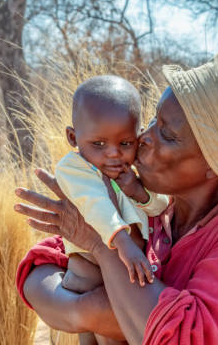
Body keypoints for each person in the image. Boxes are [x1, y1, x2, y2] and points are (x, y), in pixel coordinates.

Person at [14, 50, 218, 344]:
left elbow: (177, 338)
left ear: (215, 166)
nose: (144, 137)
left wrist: (102, 247)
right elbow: (39, 268)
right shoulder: (164, 204)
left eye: (167, 134)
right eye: (153, 120)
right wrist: (82, 311)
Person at [55, 76, 168, 297]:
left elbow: (161, 207)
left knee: (118, 326)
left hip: (129, 266)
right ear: (72, 137)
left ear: (139, 136)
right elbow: (94, 203)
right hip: (88, 269)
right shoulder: (73, 168)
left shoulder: (133, 172)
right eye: (98, 144)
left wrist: (137, 191)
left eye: (125, 143)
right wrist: (123, 243)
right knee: (95, 318)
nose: (114, 153)